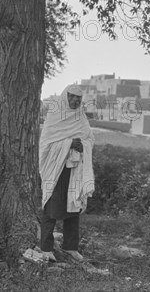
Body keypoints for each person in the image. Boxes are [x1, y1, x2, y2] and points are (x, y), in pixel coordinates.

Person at [38, 85, 95, 262]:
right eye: (72, 97)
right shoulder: (55, 116)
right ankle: (46, 248)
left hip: (75, 169)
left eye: (79, 98)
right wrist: (69, 143)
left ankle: (71, 247)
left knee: (74, 205)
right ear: (65, 97)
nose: (75, 101)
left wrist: (82, 145)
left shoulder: (81, 117)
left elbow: (89, 139)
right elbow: (46, 144)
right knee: (51, 205)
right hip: (56, 169)